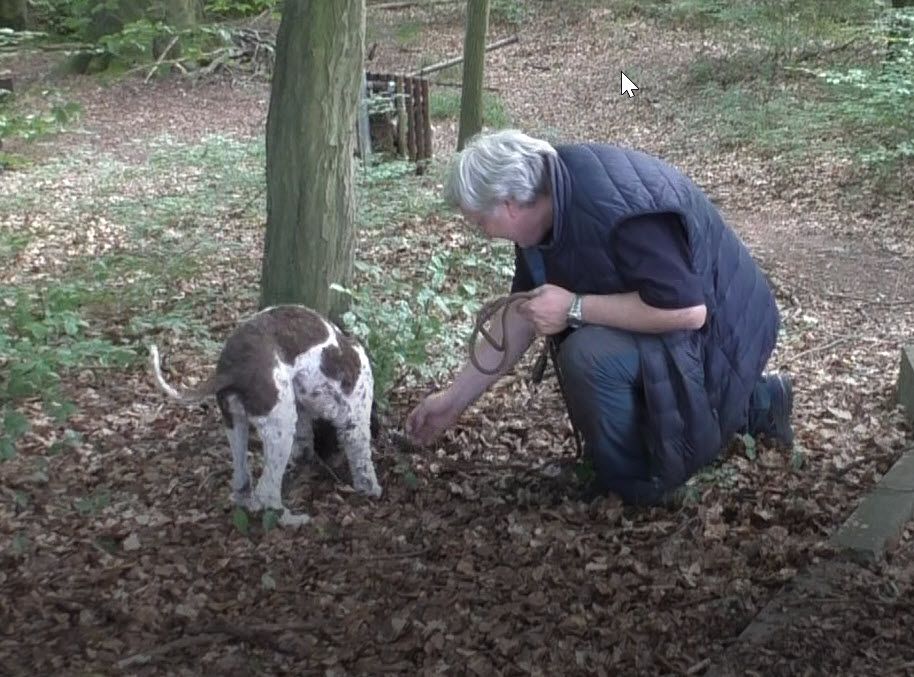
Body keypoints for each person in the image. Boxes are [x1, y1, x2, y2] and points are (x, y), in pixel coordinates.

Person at [405, 129, 793, 504]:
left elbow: (688, 311)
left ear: (509, 203)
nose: (483, 233)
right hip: (693, 325)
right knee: (589, 342)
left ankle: (640, 485)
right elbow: (523, 314)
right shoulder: (544, 209)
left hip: (725, 332)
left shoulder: (615, 208)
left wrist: (575, 307)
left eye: (479, 222)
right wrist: (453, 401)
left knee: (588, 353)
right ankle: (761, 402)